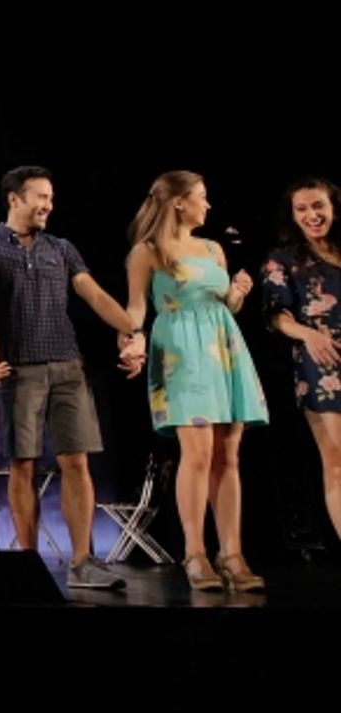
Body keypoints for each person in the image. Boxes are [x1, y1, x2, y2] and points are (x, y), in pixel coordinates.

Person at [0, 165, 142, 589]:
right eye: (40, 197)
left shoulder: (61, 248)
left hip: (68, 366)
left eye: (51, 198)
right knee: (23, 465)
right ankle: (27, 564)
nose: (48, 205)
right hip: (19, 370)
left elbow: (95, 294)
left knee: (76, 462)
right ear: (15, 199)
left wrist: (132, 331)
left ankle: (82, 562)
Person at [125, 170, 268, 591]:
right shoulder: (147, 251)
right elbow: (136, 312)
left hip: (223, 350)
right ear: (179, 202)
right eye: (201, 197)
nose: (208, 205)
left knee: (229, 454)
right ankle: (195, 552)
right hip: (182, 354)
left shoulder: (213, 248)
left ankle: (233, 554)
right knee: (199, 451)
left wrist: (238, 292)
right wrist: (131, 341)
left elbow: (225, 306)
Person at [260, 177, 341, 543]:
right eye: (303, 209)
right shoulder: (284, 259)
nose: (312, 215)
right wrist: (309, 334)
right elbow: (276, 315)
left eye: (318, 206)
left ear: (333, 207)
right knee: (337, 460)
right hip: (323, 362)